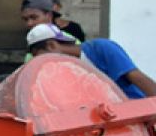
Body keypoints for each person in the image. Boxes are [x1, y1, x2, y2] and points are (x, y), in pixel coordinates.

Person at [26, 24, 156, 99]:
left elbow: (137, 78)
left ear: (51, 45)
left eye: (41, 57)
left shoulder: (102, 48)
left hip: (135, 110)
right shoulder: (65, 71)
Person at [20, 0, 85, 42]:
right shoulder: (32, 37)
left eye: (34, 17)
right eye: (25, 19)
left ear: (49, 15)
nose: (29, 23)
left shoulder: (68, 41)